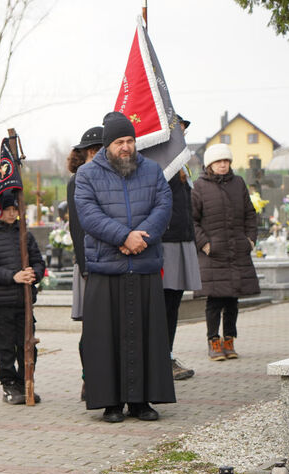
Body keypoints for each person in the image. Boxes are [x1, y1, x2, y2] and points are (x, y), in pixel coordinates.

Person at [74, 112, 174, 423]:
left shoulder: (153, 170)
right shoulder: (87, 174)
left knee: (147, 336)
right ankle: (111, 403)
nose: (126, 147)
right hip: (108, 266)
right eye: (120, 142)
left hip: (143, 263)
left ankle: (142, 401)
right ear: (107, 145)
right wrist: (123, 236)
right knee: (106, 339)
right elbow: (88, 214)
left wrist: (140, 237)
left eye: (130, 140)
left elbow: (164, 205)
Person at [192, 143, 260, 361]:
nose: (222, 165)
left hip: (237, 251)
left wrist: (250, 240)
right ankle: (213, 341)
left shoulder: (238, 183)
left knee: (232, 300)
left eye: (226, 161)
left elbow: (250, 214)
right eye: (218, 161)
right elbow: (192, 220)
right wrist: (205, 244)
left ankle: (229, 340)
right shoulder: (199, 186)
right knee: (214, 301)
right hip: (214, 254)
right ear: (210, 165)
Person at [0, 187, 45, 405]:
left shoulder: (24, 233)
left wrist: (33, 274)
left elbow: (38, 260)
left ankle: (24, 380)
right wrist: (14, 276)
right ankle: (9, 384)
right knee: (6, 346)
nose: (11, 214)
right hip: (2, 301)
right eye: (7, 209)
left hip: (24, 300)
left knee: (27, 343)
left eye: (14, 209)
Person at [162, 116, 202, 379]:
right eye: (179, 132)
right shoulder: (161, 166)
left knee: (173, 302)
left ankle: (167, 354)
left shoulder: (182, 168)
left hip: (183, 239)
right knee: (165, 303)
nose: (183, 137)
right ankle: (161, 358)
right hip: (166, 243)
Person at [66, 125, 103, 401]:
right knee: (91, 327)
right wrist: (87, 265)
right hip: (89, 264)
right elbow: (78, 228)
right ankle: (88, 378)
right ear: (93, 152)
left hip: (106, 263)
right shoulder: (78, 180)